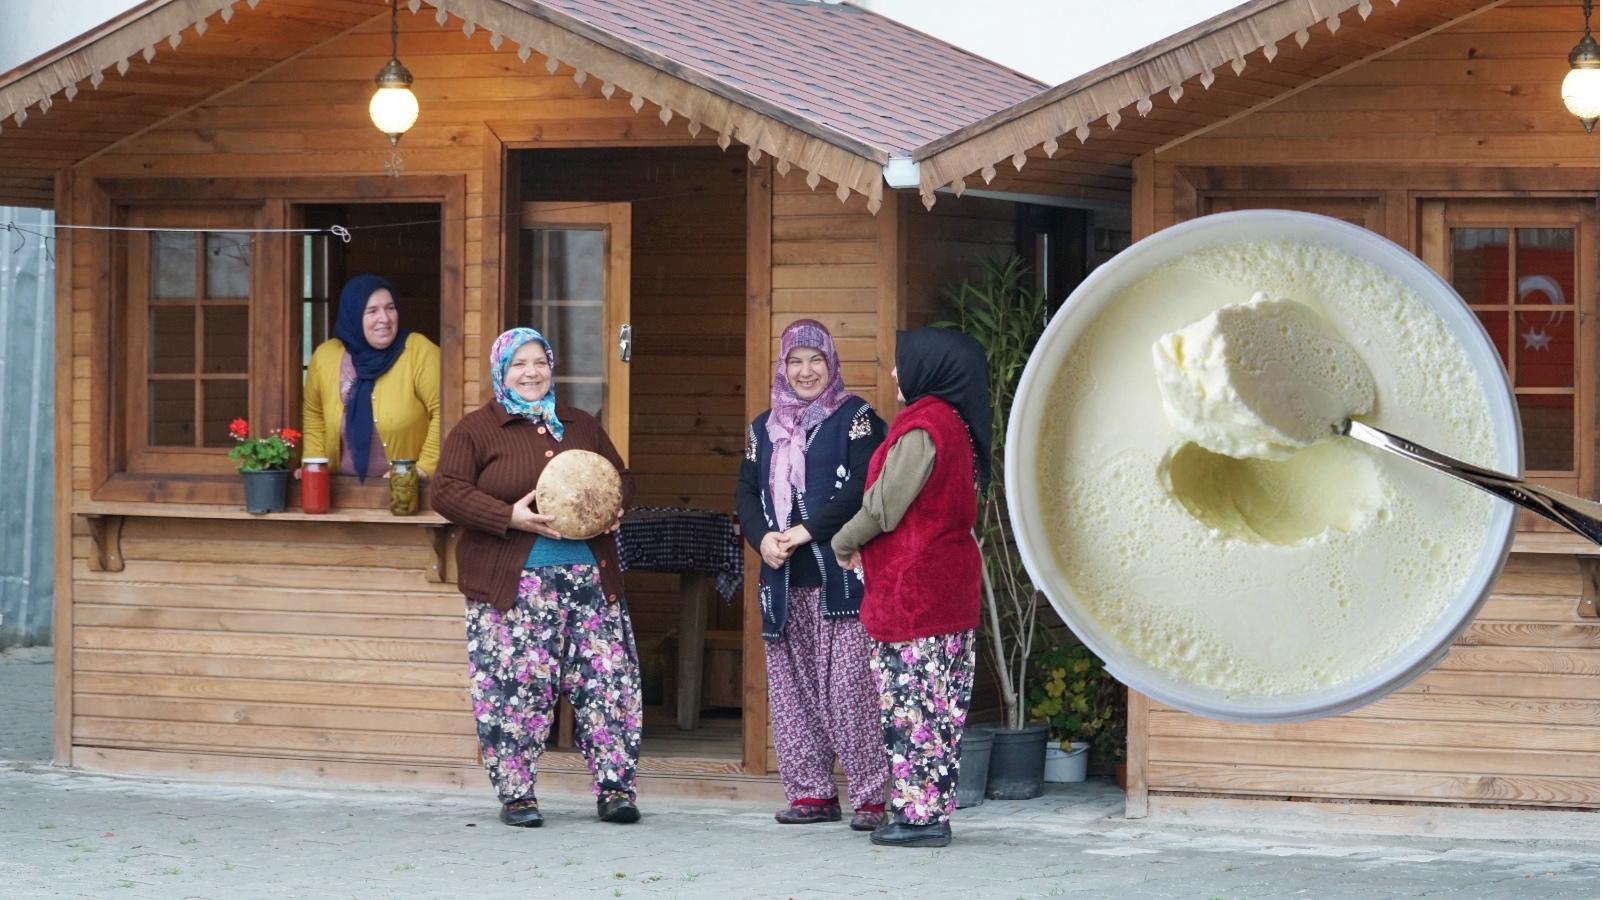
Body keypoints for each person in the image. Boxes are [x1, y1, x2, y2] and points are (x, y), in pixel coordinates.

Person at [432, 327, 642, 828]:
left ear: (552, 366)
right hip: (515, 588)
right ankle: (517, 794)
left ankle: (615, 791)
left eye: (539, 362)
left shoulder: (580, 424)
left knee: (607, 685)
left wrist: (614, 509)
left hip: (591, 581)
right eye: (518, 365)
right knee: (514, 689)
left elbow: (621, 479)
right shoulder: (477, 429)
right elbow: (446, 492)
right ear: (501, 372)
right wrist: (508, 516)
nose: (531, 373)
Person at [831, 327, 991, 849]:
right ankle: (928, 813)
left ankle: (919, 820)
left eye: (903, 363)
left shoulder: (924, 426)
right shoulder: (955, 424)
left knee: (913, 708)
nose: (896, 373)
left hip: (917, 593)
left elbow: (884, 505)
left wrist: (843, 540)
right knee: (939, 710)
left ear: (930, 368)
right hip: (950, 591)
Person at [734, 319, 889, 831]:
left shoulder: (857, 418)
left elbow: (864, 490)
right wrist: (762, 540)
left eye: (815, 360)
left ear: (831, 364)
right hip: (782, 583)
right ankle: (812, 794)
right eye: (795, 361)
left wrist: (801, 532)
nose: (805, 371)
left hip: (842, 580)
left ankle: (871, 796)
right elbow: (746, 493)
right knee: (792, 691)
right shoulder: (764, 428)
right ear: (783, 367)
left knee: (850, 690)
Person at [302, 274, 441, 481]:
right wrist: (314, 467)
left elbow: (445, 412)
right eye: (372, 311)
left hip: (407, 490)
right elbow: (314, 416)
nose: (384, 319)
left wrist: (423, 469)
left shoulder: (419, 351)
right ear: (353, 315)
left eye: (390, 308)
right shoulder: (326, 356)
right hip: (341, 490)